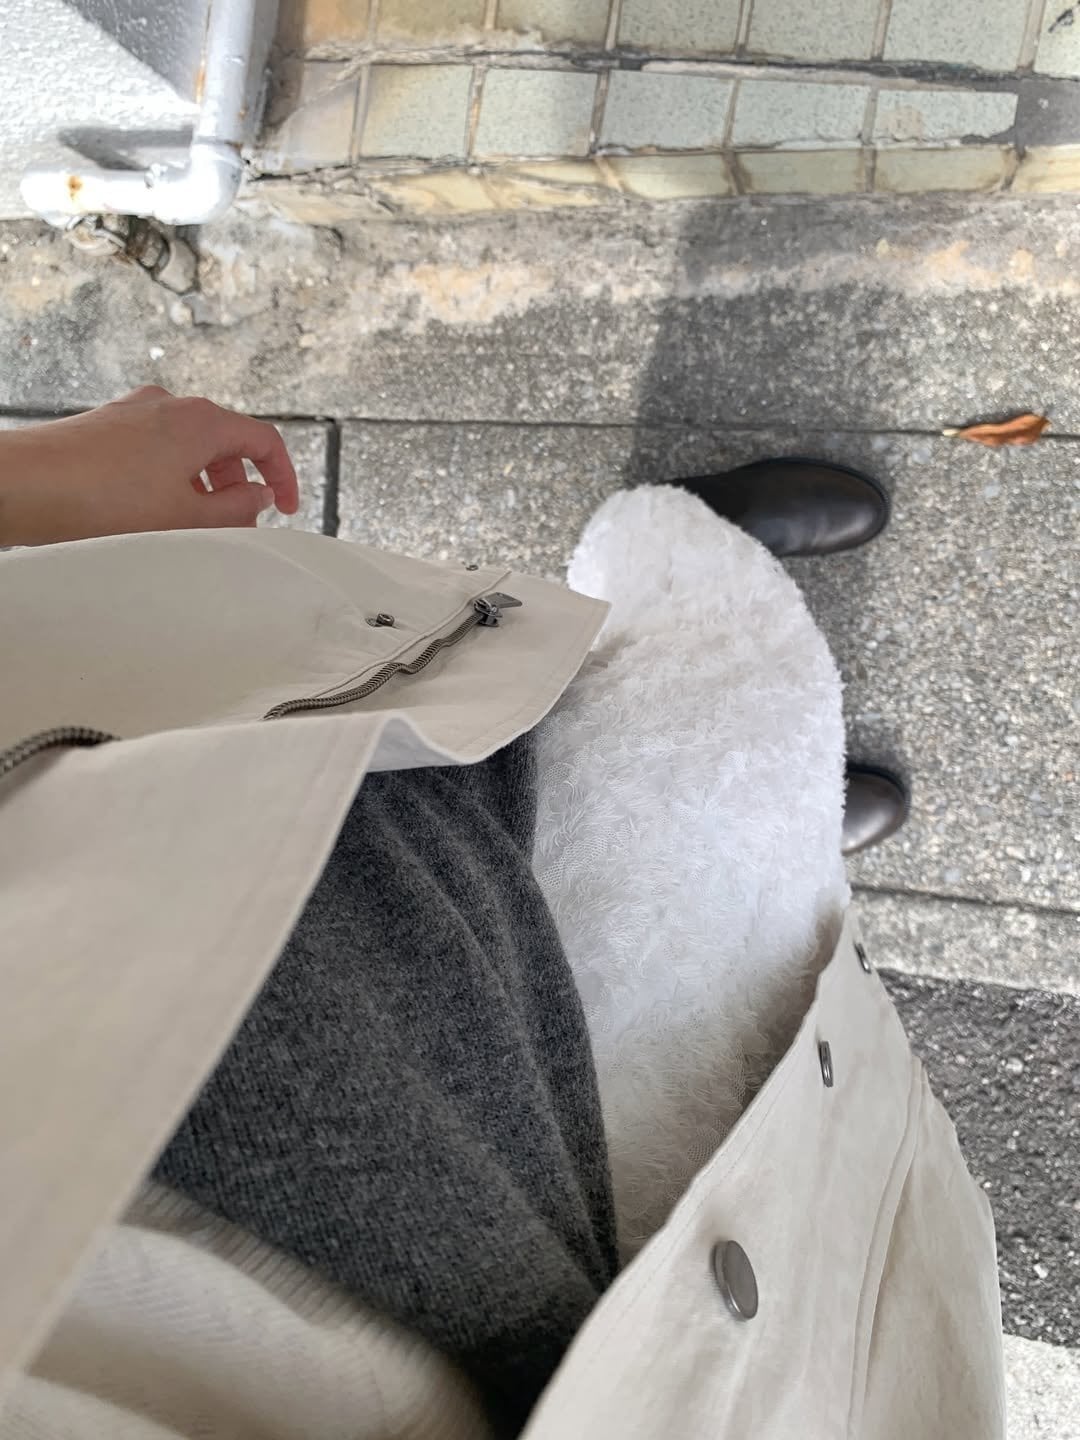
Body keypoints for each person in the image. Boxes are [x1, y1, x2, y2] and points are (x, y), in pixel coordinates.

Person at [0, 388, 1003, 1439]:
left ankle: (685, 596)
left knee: (642, 741)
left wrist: (28, 490)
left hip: (154, 916)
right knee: (727, 918)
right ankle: (769, 808)